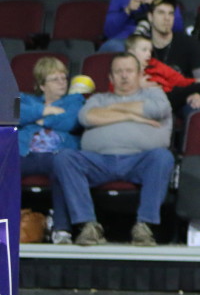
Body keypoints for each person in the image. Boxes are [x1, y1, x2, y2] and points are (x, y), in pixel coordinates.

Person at [51, 53, 175, 247]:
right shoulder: (99, 98)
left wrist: (114, 109)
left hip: (140, 160)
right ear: (110, 78)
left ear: (139, 74)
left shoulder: (154, 94)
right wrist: (132, 116)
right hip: (99, 161)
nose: (124, 76)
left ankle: (144, 227)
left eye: (129, 71)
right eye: (118, 72)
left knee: (163, 157)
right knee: (64, 157)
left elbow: (157, 110)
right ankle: (88, 226)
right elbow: (87, 117)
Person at [18, 57, 84, 186]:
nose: (62, 83)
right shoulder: (26, 100)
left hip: (56, 155)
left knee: (64, 169)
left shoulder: (75, 100)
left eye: (64, 78)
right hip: (24, 154)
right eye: (55, 79)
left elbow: (70, 122)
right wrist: (44, 110)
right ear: (42, 85)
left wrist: (39, 121)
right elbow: (11, 114)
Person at [124, 34, 200, 120]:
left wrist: (193, 81)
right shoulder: (124, 70)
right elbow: (118, 93)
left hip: (170, 94)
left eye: (150, 51)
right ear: (131, 52)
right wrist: (137, 86)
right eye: (144, 50)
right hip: (153, 100)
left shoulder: (154, 64)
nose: (148, 54)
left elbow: (175, 78)